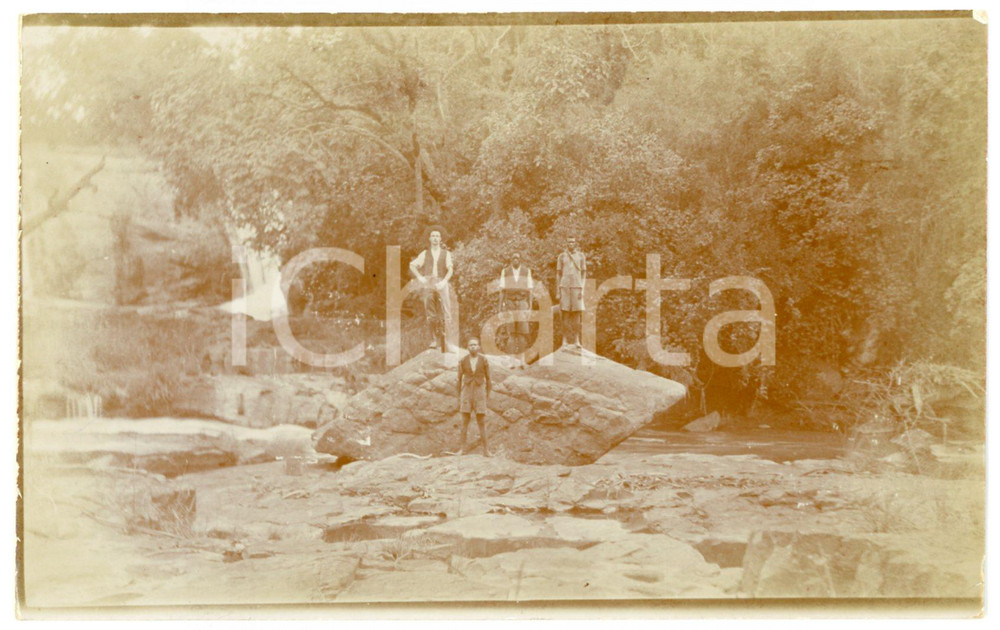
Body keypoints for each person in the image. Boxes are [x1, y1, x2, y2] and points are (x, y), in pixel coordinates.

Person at [409, 226, 453, 352]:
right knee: (430, 313)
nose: (435, 238)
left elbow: (450, 270)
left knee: (446, 312)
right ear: (429, 239)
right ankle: (434, 340)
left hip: (441, 283)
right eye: (433, 236)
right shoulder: (425, 253)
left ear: (441, 239)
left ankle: (447, 341)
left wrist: (444, 281)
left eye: (437, 236)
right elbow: (412, 265)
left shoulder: (446, 254)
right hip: (428, 283)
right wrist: (420, 278)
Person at [457, 337, 491, 456]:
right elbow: (458, 379)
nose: (473, 347)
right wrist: (459, 397)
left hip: (479, 391)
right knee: (464, 421)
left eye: (475, 345)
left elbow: (489, 379)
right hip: (466, 391)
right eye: (470, 345)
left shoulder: (484, 360)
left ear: (479, 347)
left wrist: (487, 397)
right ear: (467, 347)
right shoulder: (462, 361)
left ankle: (486, 450)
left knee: (481, 421)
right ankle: (462, 449)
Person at [498, 252, 534, 366]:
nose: (515, 260)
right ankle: (512, 360)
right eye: (513, 258)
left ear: (520, 260)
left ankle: (522, 360)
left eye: (517, 258)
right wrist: (500, 308)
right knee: (511, 332)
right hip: (509, 303)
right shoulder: (505, 271)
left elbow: (530, 290)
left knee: (522, 332)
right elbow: (502, 290)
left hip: (522, 303)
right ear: (511, 260)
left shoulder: (526, 271)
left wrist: (530, 307)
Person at [556, 236, 586, 347]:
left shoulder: (581, 256)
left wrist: (582, 288)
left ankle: (577, 340)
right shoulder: (562, 256)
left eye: (573, 242)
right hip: (564, 288)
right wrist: (558, 291)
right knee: (565, 314)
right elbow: (558, 273)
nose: (571, 244)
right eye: (569, 242)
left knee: (577, 315)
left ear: (576, 243)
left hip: (577, 288)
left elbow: (584, 273)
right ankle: (564, 340)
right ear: (566, 244)